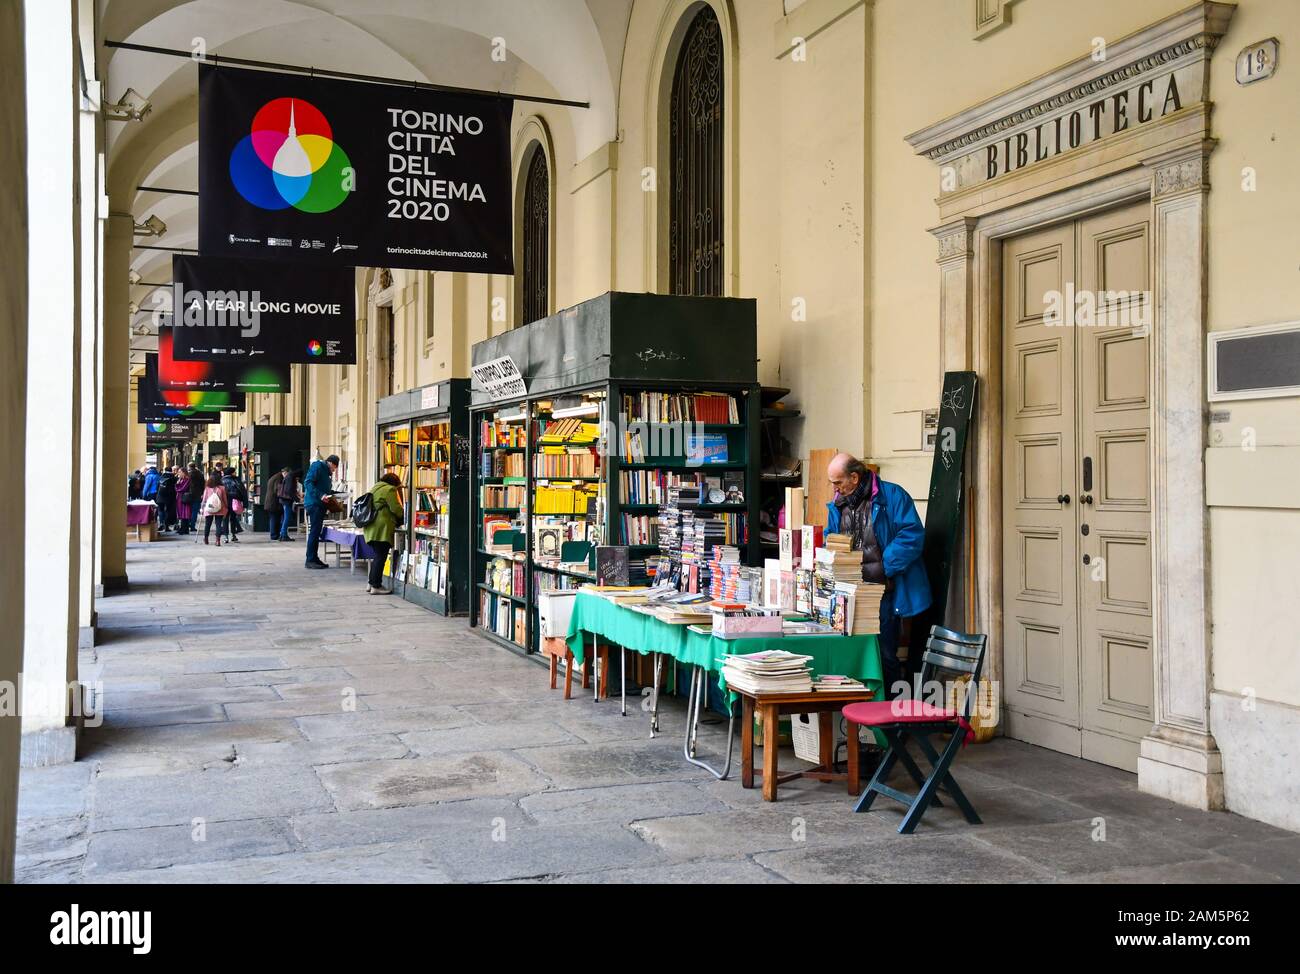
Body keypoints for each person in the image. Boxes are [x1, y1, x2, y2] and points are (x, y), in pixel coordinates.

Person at [825, 452, 931, 697]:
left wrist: (885, 567)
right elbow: (831, 538)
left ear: (854, 477)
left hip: (885, 591)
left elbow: (912, 536)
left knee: (884, 653)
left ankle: (891, 720)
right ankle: (862, 716)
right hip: (850, 589)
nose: (835, 488)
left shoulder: (893, 496)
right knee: (853, 652)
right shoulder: (838, 503)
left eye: (838, 482)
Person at [362, 472, 404, 594]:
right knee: (381, 556)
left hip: (371, 527)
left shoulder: (376, 487)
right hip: (381, 528)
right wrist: (405, 514)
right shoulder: (389, 489)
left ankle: (370, 583)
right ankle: (376, 585)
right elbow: (395, 508)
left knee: (377, 556)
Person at [302, 454, 340, 569]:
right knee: (314, 531)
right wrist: (321, 495)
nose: (334, 471)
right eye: (334, 468)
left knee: (316, 531)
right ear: (331, 463)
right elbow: (308, 482)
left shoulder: (325, 472)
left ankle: (314, 557)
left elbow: (323, 488)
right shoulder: (318, 467)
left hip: (319, 504)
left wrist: (335, 494)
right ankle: (310, 559)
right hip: (315, 504)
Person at [200, 471, 229, 546]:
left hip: (209, 508)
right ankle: (217, 540)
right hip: (219, 508)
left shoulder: (207, 488)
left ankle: (206, 538)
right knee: (218, 524)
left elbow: (204, 499)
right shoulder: (222, 488)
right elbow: (224, 499)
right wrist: (226, 506)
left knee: (208, 524)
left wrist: (202, 508)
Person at [222, 467, 248, 543]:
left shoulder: (222, 481)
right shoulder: (236, 480)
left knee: (225, 519)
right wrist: (244, 503)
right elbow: (243, 491)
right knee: (233, 519)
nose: (235, 473)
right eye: (234, 472)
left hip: (225, 502)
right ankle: (233, 535)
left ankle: (226, 536)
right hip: (234, 502)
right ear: (231, 473)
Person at [276, 466, 299, 540]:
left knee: (285, 517)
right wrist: (297, 499)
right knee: (287, 517)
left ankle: (282, 534)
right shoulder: (289, 477)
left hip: (283, 500)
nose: (283, 474)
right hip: (287, 500)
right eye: (283, 473)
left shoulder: (285, 478)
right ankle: (284, 534)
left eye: (284, 473)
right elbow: (288, 490)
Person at [185, 463, 205, 536]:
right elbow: (203, 485)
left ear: (189, 467)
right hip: (197, 495)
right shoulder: (200, 474)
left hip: (188, 495)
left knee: (188, 510)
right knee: (194, 511)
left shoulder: (188, 475)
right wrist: (202, 493)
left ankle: (188, 524)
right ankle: (192, 526)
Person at [156, 466, 178, 532]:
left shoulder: (161, 477)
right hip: (170, 497)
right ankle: (167, 526)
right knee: (168, 511)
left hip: (160, 497)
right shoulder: (174, 478)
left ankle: (161, 523)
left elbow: (157, 487)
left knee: (160, 510)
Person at [175, 466, 193, 535]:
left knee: (185, 513)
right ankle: (183, 528)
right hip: (180, 498)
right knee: (181, 513)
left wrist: (177, 487)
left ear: (184, 472)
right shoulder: (181, 479)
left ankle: (184, 528)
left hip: (184, 498)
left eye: (180, 472)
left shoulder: (187, 479)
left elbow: (183, 488)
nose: (178, 473)